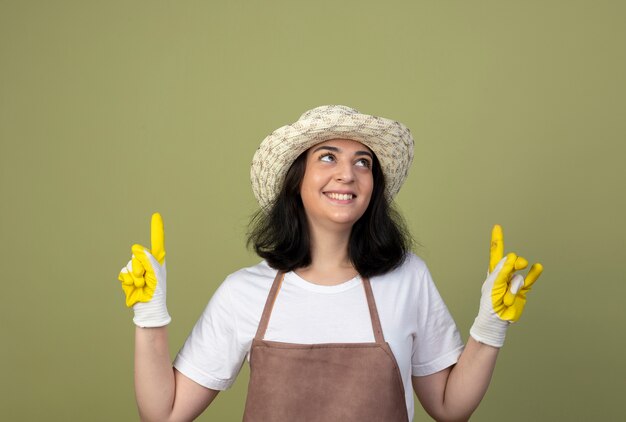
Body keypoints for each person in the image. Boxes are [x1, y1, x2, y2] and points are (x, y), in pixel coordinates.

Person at [118, 105, 543, 422]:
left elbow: (450, 408)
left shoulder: (407, 277)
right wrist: (150, 318)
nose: (348, 173)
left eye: (363, 162)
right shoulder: (244, 291)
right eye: (328, 157)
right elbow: (165, 414)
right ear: (295, 180)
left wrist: (489, 327)